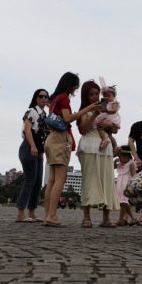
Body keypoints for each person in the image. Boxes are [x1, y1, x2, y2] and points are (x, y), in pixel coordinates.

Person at [43, 73, 87, 227]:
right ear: (69, 84)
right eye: (74, 86)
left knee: (52, 179)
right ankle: (52, 216)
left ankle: (48, 215)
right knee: (60, 179)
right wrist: (87, 109)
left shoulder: (54, 98)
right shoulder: (64, 98)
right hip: (61, 138)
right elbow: (67, 119)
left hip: (51, 138)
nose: (75, 89)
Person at [76, 80, 121, 229]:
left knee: (107, 181)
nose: (95, 97)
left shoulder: (107, 108)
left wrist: (110, 125)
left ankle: (106, 218)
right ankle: (86, 216)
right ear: (86, 96)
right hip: (89, 145)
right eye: (91, 94)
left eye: (97, 93)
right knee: (89, 180)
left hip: (105, 147)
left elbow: (114, 130)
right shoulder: (84, 110)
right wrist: (94, 113)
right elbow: (82, 129)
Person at [15, 89, 49, 223]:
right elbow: (27, 129)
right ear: (36, 98)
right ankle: (20, 213)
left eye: (46, 96)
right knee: (29, 179)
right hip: (29, 146)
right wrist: (33, 146)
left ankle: (32, 212)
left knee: (38, 182)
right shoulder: (31, 111)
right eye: (41, 96)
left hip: (38, 149)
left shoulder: (44, 114)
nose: (44, 98)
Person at [93, 77, 121, 151]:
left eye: (109, 96)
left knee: (99, 126)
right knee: (109, 135)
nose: (107, 98)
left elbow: (114, 110)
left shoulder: (114, 103)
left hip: (110, 118)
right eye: (105, 96)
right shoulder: (104, 103)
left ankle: (105, 140)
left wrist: (106, 110)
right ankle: (115, 146)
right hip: (107, 119)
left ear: (114, 96)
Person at [114, 145, 139, 226]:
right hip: (120, 186)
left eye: (121, 157)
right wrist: (115, 161)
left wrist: (134, 185)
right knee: (122, 204)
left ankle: (133, 218)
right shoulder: (120, 163)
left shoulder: (131, 164)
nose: (120, 159)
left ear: (127, 156)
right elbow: (114, 167)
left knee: (125, 203)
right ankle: (121, 220)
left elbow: (134, 175)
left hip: (126, 185)